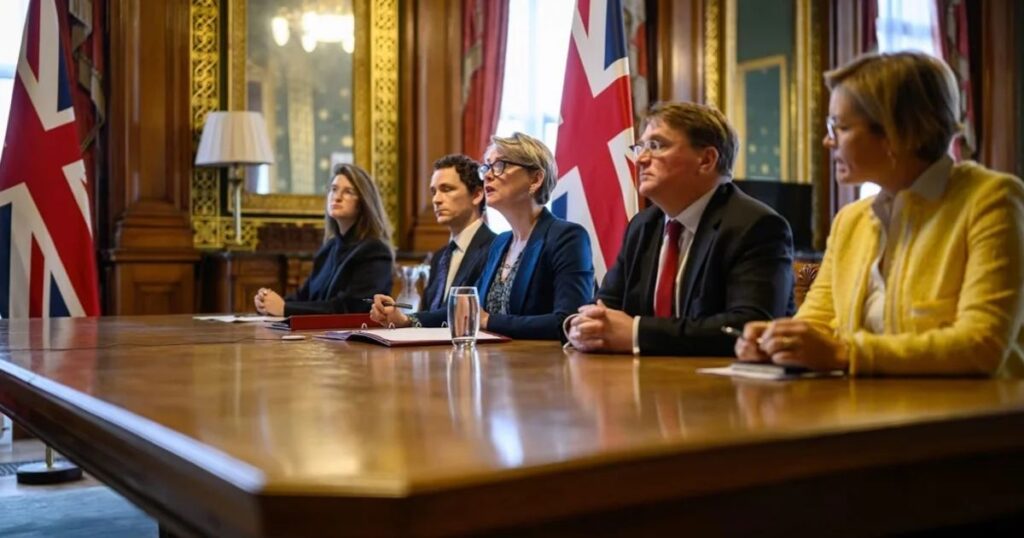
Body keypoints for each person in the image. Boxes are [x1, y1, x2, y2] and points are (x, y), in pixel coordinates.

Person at [735, 51, 1024, 377]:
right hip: (866, 405)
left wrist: (844, 353)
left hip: (971, 409)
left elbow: (982, 344)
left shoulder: (992, 199)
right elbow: (817, 323)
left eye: (840, 127)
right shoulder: (851, 220)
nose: (828, 141)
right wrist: (777, 344)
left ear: (895, 133)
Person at [567, 102, 795, 356]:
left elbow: (748, 328)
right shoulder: (643, 226)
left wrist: (637, 333)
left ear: (706, 160)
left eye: (657, 145)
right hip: (642, 375)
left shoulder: (756, 226)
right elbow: (605, 306)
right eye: (640, 147)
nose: (640, 159)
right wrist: (581, 326)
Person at [371, 132, 594, 339]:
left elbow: (568, 321)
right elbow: (465, 307)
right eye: (486, 167)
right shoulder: (500, 244)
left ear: (535, 179)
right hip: (492, 363)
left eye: (499, 165)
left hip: (541, 365)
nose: (487, 175)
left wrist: (489, 321)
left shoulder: (567, 238)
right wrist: (407, 320)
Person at [254, 164, 394, 316]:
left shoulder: (375, 251)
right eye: (334, 189)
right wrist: (268, 304)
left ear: (363, 203)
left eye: (348, 192)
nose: (337, 197)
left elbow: (349, 308)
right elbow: (304, 297)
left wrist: (284, 309)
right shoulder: (329, 248)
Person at [403, 154, 495, 312]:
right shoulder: (439, 257)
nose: (436, 200)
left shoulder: (494, 248)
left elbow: (469, 311)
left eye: (446, 189)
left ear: (477, 195)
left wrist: (408, 319)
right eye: (434, 192)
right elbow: (428, 313)